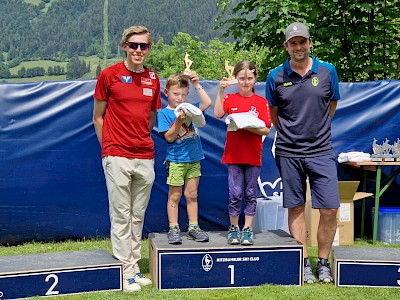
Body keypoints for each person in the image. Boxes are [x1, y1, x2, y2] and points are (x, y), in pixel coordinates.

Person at [265, 22, 341, 284]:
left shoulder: (328, 71)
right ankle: (303, 264)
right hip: (288, 151)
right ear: (286, 46)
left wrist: (315, 130)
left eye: (302, 42)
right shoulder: (274, 76)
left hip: (322, 150)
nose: (298, 47)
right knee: (296, 207)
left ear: (310, 42)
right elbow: (274, 115)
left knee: (330, 208)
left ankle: (322, 263)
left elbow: (331, 105)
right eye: (292, 43)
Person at [93, 25, 161, 292]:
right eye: (133, 45)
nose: (138, 51)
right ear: (124, 46)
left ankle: (133, 265)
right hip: (116, 155)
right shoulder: (109, 75)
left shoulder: (153, 78)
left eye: (143, 46)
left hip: (145, 155)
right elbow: (98, 116)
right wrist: (108, 148)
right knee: (121, 215)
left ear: (148, 49)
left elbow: (151, 117)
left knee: (137, 216)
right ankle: (124, 272)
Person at [214, 60, 271, 246]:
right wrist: (221, 90)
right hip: (234, 155)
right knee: (235, 193)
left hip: (253, 155)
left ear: (255, 79)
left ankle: (247, 229)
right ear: (235, 79)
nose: (245, 82)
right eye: (241, 78)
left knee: (250, 193)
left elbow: (266, 130)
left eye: (249, 78)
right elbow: (217, 114)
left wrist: (246, 125)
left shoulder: (261, 102)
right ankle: (233, 228)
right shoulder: (230, 99)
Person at [157, 73, 212, 244]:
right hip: (176, 161)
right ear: (167, 93)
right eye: (175, 94)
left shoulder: (189, 108)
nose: (180, 98)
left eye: (183, 94)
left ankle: (193, 227)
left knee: (192, 194)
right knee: (175, 195)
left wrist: (196, 84)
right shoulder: (164, 114)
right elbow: (169, 137)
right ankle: (174, 228)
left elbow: (207, 103)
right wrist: (179, 122)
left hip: (194, 158)